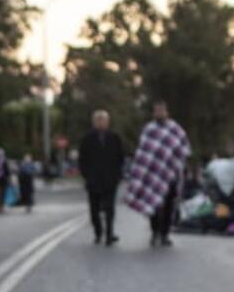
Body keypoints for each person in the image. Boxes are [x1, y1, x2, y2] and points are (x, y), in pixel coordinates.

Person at [125, 101, 191, 247]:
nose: (159, 113)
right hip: (151, 176)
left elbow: (183, 150)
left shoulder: (175, 129)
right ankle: (155, 232)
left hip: (170, 176)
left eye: (162, 111)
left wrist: (176, 165)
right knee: (153, 205)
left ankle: (165, 234)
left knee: (168, 206)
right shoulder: (149, 129)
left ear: (166, 112)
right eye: (157, 111)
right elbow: (143, 153)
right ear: (154, 113)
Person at [77, 110, 126, 245]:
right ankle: (98, 231)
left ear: (107, 122)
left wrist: (118, 175)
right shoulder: (87, 139)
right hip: (93, 179)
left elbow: (120, 157)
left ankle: (109, 234)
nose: (101, 122)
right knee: (94, 210)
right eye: (98, 120)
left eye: (103, 120)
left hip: (110, 179)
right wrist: (86, 175)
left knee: (110, 208)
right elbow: (82, 159)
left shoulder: (114, 138)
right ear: (93, 122)